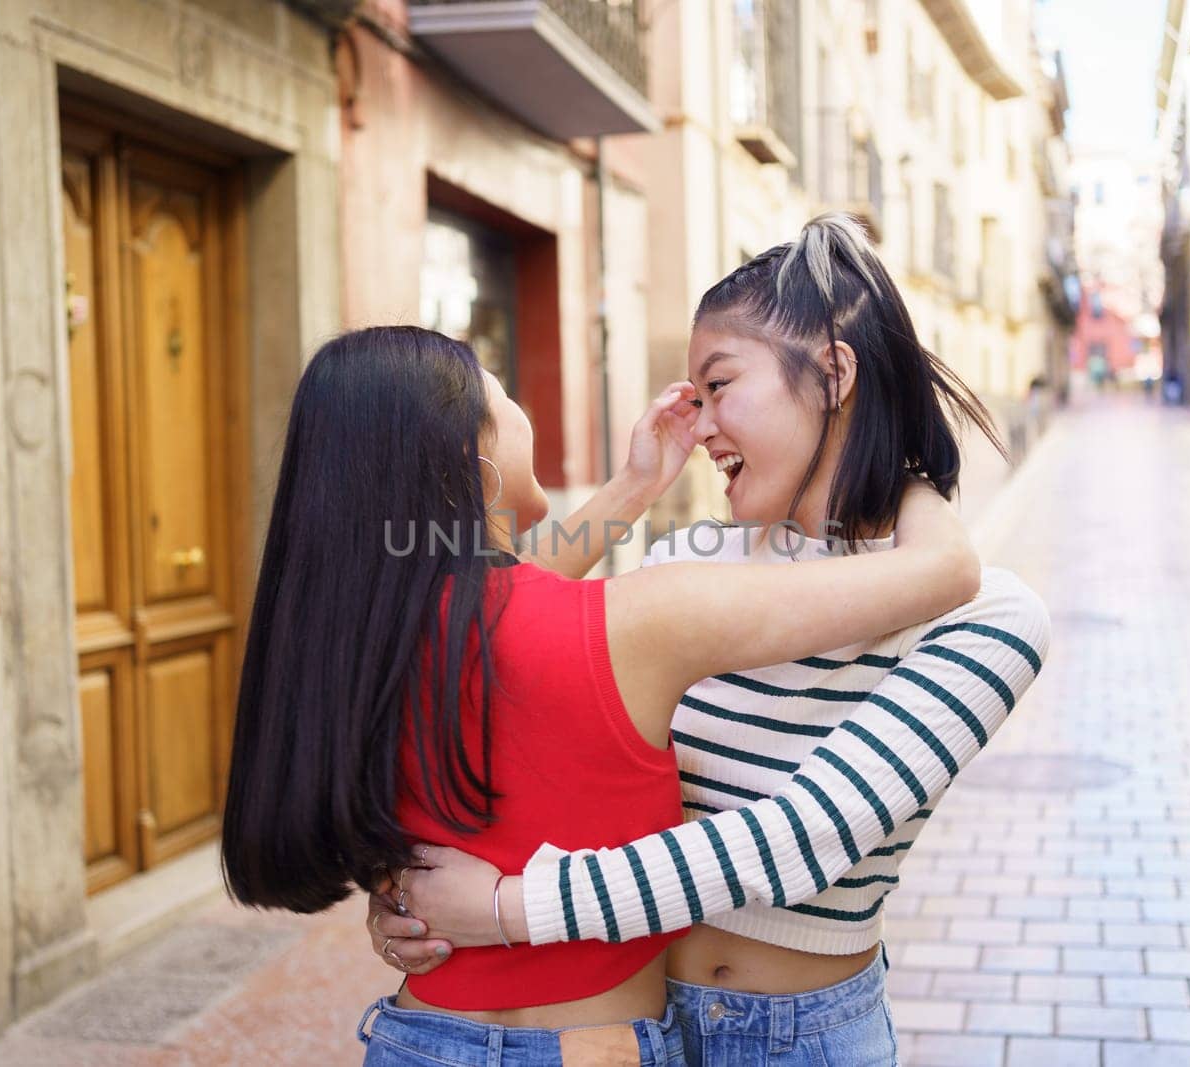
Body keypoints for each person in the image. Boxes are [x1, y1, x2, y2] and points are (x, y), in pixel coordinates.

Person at [370, 214, 1052, 1065]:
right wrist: (632, 486)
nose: (700, 425)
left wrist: (508, 905)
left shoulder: (988, 613)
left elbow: (800, 840)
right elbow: (503, 624)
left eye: (719, 385)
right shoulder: (692, 559)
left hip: (796, 1041)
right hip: (638, 1024)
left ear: (835, 375)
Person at [220, 320, 986, 1065]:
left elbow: (511, 598)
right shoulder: (645, 619)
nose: (521, 407)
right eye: (503, 393)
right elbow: (940, 572)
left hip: (414, 1038)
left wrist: (636, 483)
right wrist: (912, 474)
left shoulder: (365, 644)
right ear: (473, 452)